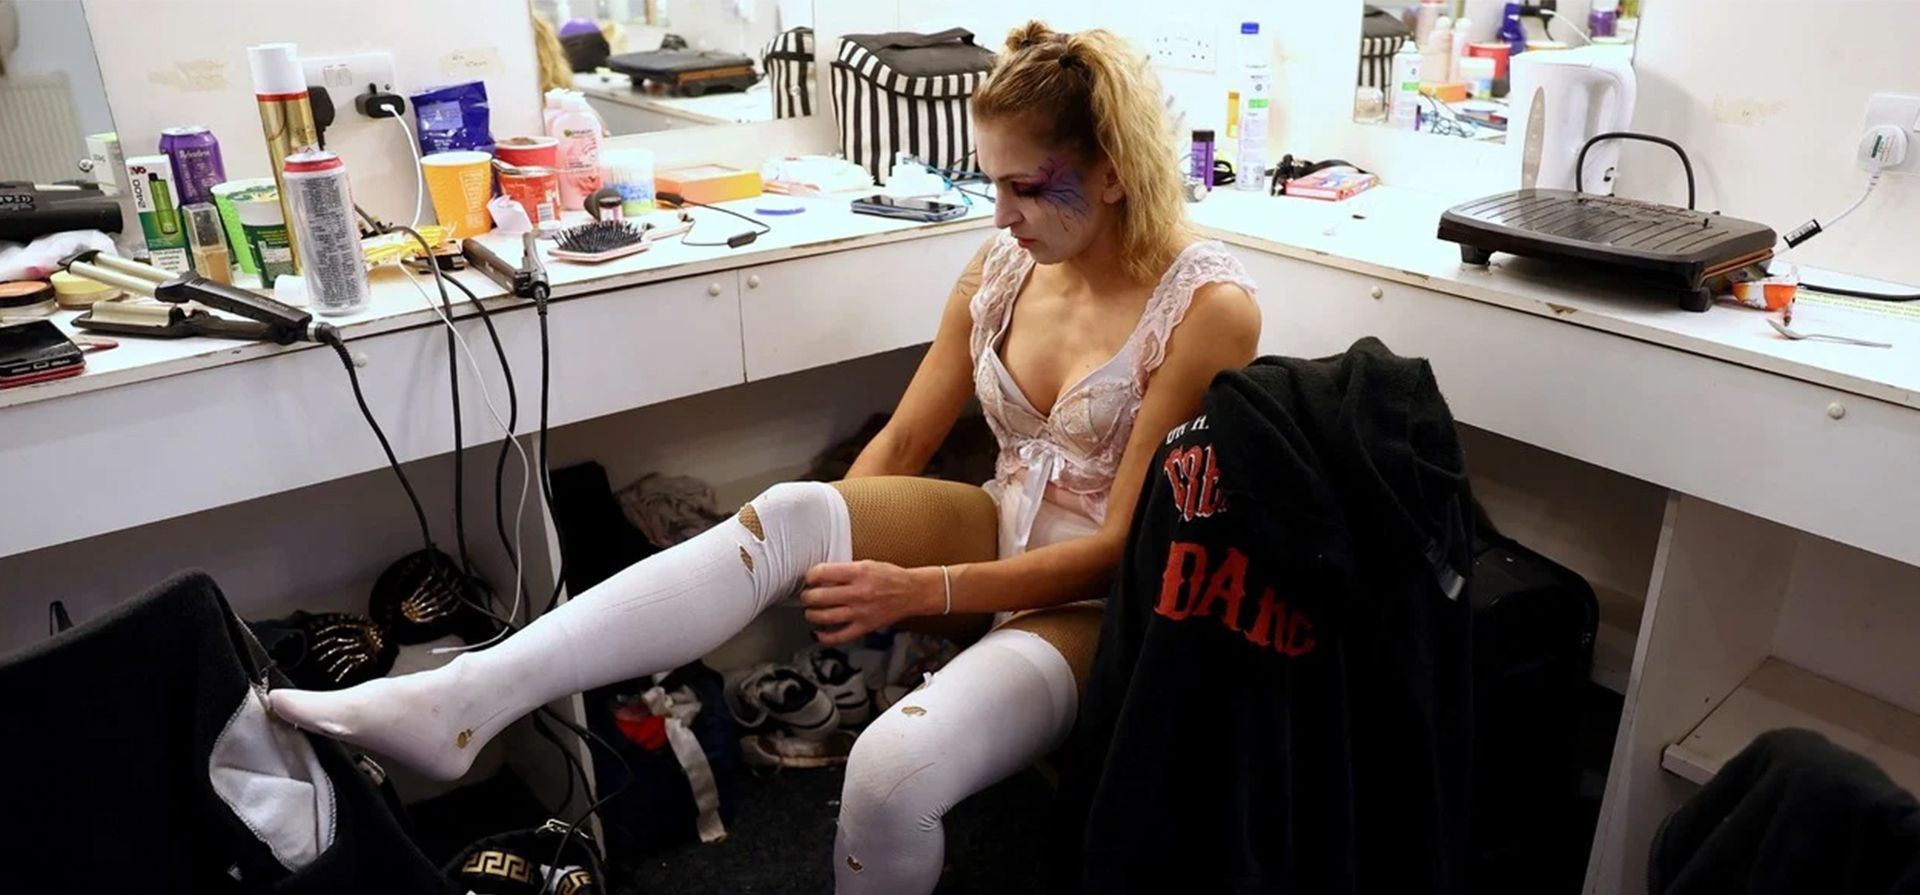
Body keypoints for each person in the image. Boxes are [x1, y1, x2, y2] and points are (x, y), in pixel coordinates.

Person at [271, 20, 1260, 894]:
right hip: (998, 523)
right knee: (791, 509)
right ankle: (460, 700)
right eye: (990, 181)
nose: (998, 212)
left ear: (1115, 169)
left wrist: (918, 597)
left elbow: (1122, 546)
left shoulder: (1206, 308)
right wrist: (824, 554)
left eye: (1024, 186)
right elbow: (909, 441)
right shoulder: (1006, 263)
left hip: (1097, 600)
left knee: (887, 771)